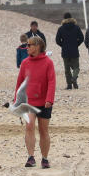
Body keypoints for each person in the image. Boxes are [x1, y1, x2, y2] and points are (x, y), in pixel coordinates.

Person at [15, 35, 56, 168]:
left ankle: (44, 158)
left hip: (45, 102)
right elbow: (20, 82)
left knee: (43, 130)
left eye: (29, 45)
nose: (27, 47)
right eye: (27, 45)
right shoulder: (25, 63)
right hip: (29, 101)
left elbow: (52, 81)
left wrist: (50, 99)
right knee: (29, 126)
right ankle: (31, 157)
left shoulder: (48, 62)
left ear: (37, 46)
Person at [55, 12, 84, 90]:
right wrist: (76, 44)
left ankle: (69, 85)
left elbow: (57, 40)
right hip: (74, 50)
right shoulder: (76, 27)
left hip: (65, 51)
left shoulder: (61, 28)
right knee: (76, 68)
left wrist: (63, 45)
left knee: (67, 69)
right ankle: (74, 79)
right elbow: (81, 38)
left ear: (64, 19)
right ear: (71, 18)